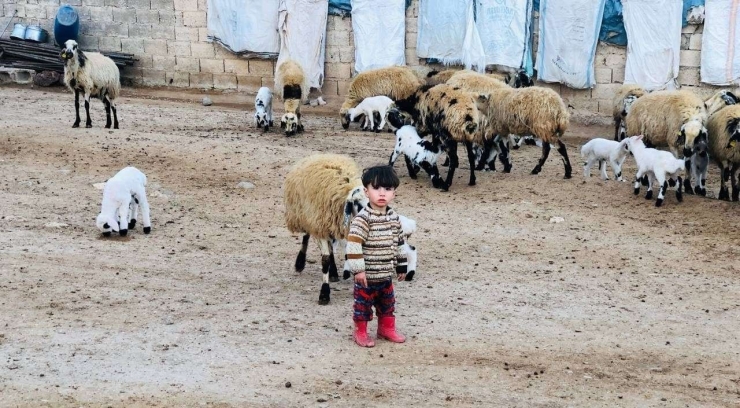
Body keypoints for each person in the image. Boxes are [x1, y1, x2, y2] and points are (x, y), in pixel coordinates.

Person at [345, 165, 408, 347]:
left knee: (387, 304)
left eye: (387, 189)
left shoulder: (394, 218)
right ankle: (361, 332)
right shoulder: (363, 219)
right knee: (362, 306)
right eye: (376, 188)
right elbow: (354, 244)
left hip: (385, 275)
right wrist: (358, 270)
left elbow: (399, 242)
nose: (382, 194)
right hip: (366, 278)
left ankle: (386, 328)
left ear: (394, 193)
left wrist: (401, 265)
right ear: (366, 191)